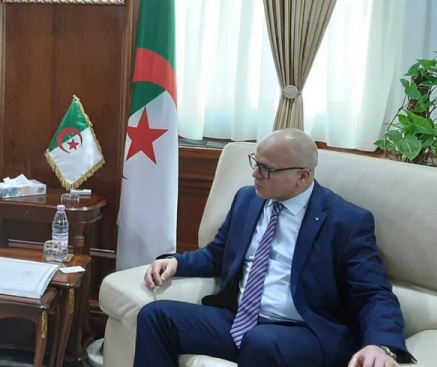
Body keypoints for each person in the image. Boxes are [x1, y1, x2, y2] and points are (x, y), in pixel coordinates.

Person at [136, 129, 415, 367]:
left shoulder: (346, 221)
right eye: (256, 163)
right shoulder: (247, 199)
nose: (255, 173)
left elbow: (373, 293)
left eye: (266, 169)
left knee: (261, 341)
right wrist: (176, 262)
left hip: (304, 332)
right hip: (241, 321)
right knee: (156, 315)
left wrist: (382, 345)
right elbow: (217, 254)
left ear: (302, 176)